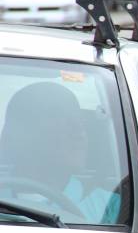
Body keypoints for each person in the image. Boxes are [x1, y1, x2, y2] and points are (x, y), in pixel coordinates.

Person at [0, 81, 121, 223]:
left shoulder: (112, 207)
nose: (80, 133)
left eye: (80, 121)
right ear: (24, 133)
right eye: (63, 121)